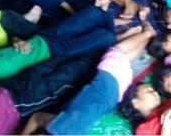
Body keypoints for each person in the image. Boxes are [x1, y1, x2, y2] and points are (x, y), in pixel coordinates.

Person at [20, 22, 157, 135]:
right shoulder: (57, 128)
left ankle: (147, 36)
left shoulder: (58, 128)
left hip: (110, 93)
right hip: (107, 88)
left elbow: (36, 118)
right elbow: (36, 118)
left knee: (122, 57)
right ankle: (148, 34)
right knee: (118, 53)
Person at [0, 5, 126, 84]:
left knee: (94, 13)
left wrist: (16, 39)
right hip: (54, 54)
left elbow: (3, 41)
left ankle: (115, 27)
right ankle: (117, 34)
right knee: (106, 37)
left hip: (43, 37)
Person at [0, 51, 103, 135]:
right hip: (10, 94)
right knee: (63, 65)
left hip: (17, 102)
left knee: (72, 73)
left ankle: (103, 51)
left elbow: (37, 118)